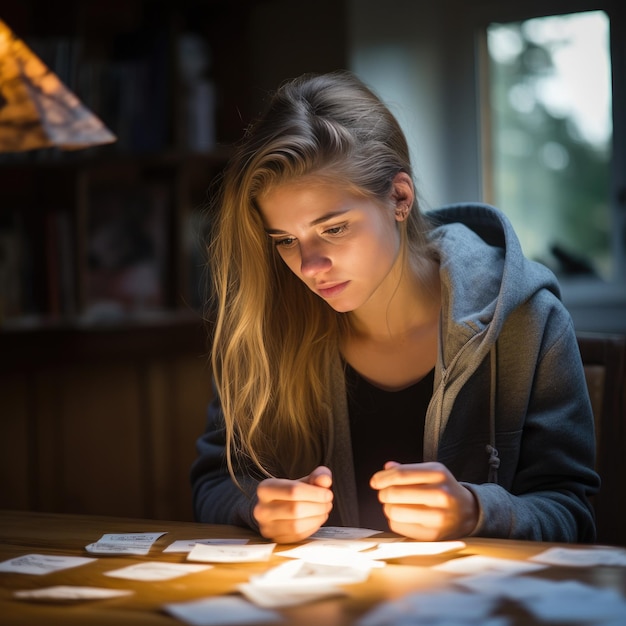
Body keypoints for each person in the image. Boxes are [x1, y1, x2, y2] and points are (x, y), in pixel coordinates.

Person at [190, 70, 599, 545]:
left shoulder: (527, 320)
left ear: (399, 198)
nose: (309, 266)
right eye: (285, 239)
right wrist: (256, 506)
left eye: (334, 228)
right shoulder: (266, 325)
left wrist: (474, 511)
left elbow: (573, 512)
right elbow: (214, 483)